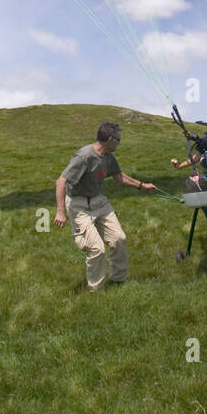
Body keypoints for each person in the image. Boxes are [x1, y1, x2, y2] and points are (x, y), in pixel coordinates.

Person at [53, 122, 158, 292]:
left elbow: (119, 177)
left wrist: (142, 185)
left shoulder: (109, 156)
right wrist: (60, 212)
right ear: (110, 139)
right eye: (118, 140)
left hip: (99, 202)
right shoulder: (84, 156)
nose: (119, 143)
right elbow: (61, 181)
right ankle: (96, 290)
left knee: (119, 239)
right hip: (79, 205)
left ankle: (119, 280)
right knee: (96, 248)